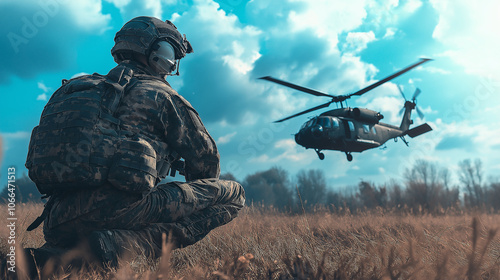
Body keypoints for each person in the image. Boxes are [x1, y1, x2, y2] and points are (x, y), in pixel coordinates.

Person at [23, 16, 245, 269]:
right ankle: (121, 246)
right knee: (233, 194)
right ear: (162, 53)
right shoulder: (163, 95)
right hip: (120, 212)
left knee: (74, 245)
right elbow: (206, 164)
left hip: (57, 219)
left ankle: (57, 257)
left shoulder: (74, 89)